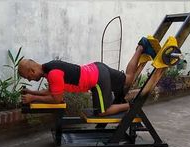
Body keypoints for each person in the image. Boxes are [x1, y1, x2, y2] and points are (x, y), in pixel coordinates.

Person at [18, 37, 156, 116]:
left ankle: (130, 106)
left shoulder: (53, 74)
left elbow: (57, 99)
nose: (29, 80)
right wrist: (31, 92)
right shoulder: (50, 67)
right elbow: (52, 92)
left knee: (103, 112)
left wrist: (33, 98)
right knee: (129, 78)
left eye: (27, 77)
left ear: (31, 71)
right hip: (97, 68)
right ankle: (141, 47)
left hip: (97, 80)